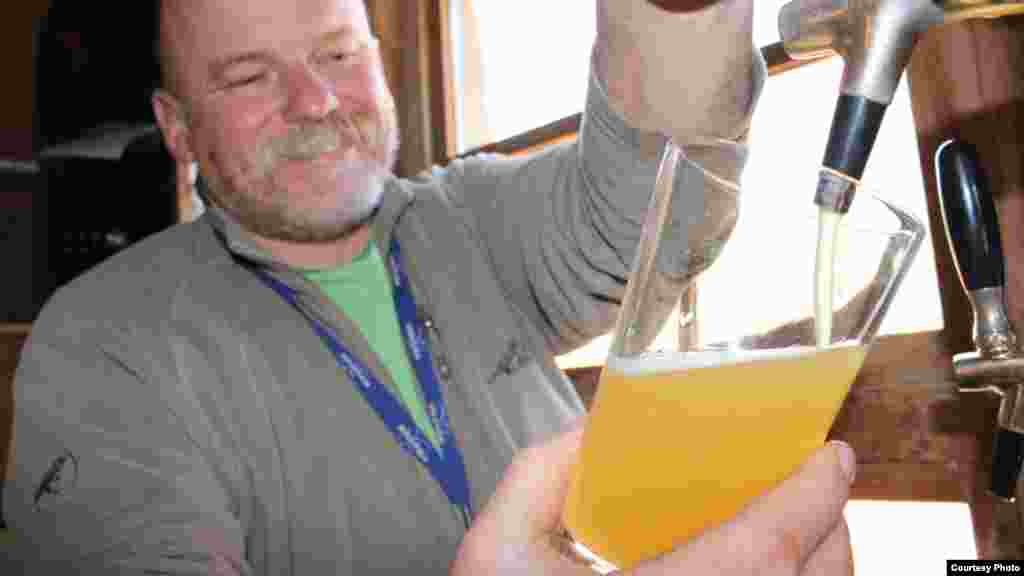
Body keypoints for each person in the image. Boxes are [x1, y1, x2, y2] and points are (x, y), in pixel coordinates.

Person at [3, 0, 855, 573]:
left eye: (338, 53)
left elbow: (665, 210)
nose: (315, 100)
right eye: (249, 77)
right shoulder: (106, 346)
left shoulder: (465, 219)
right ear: (176, 125)